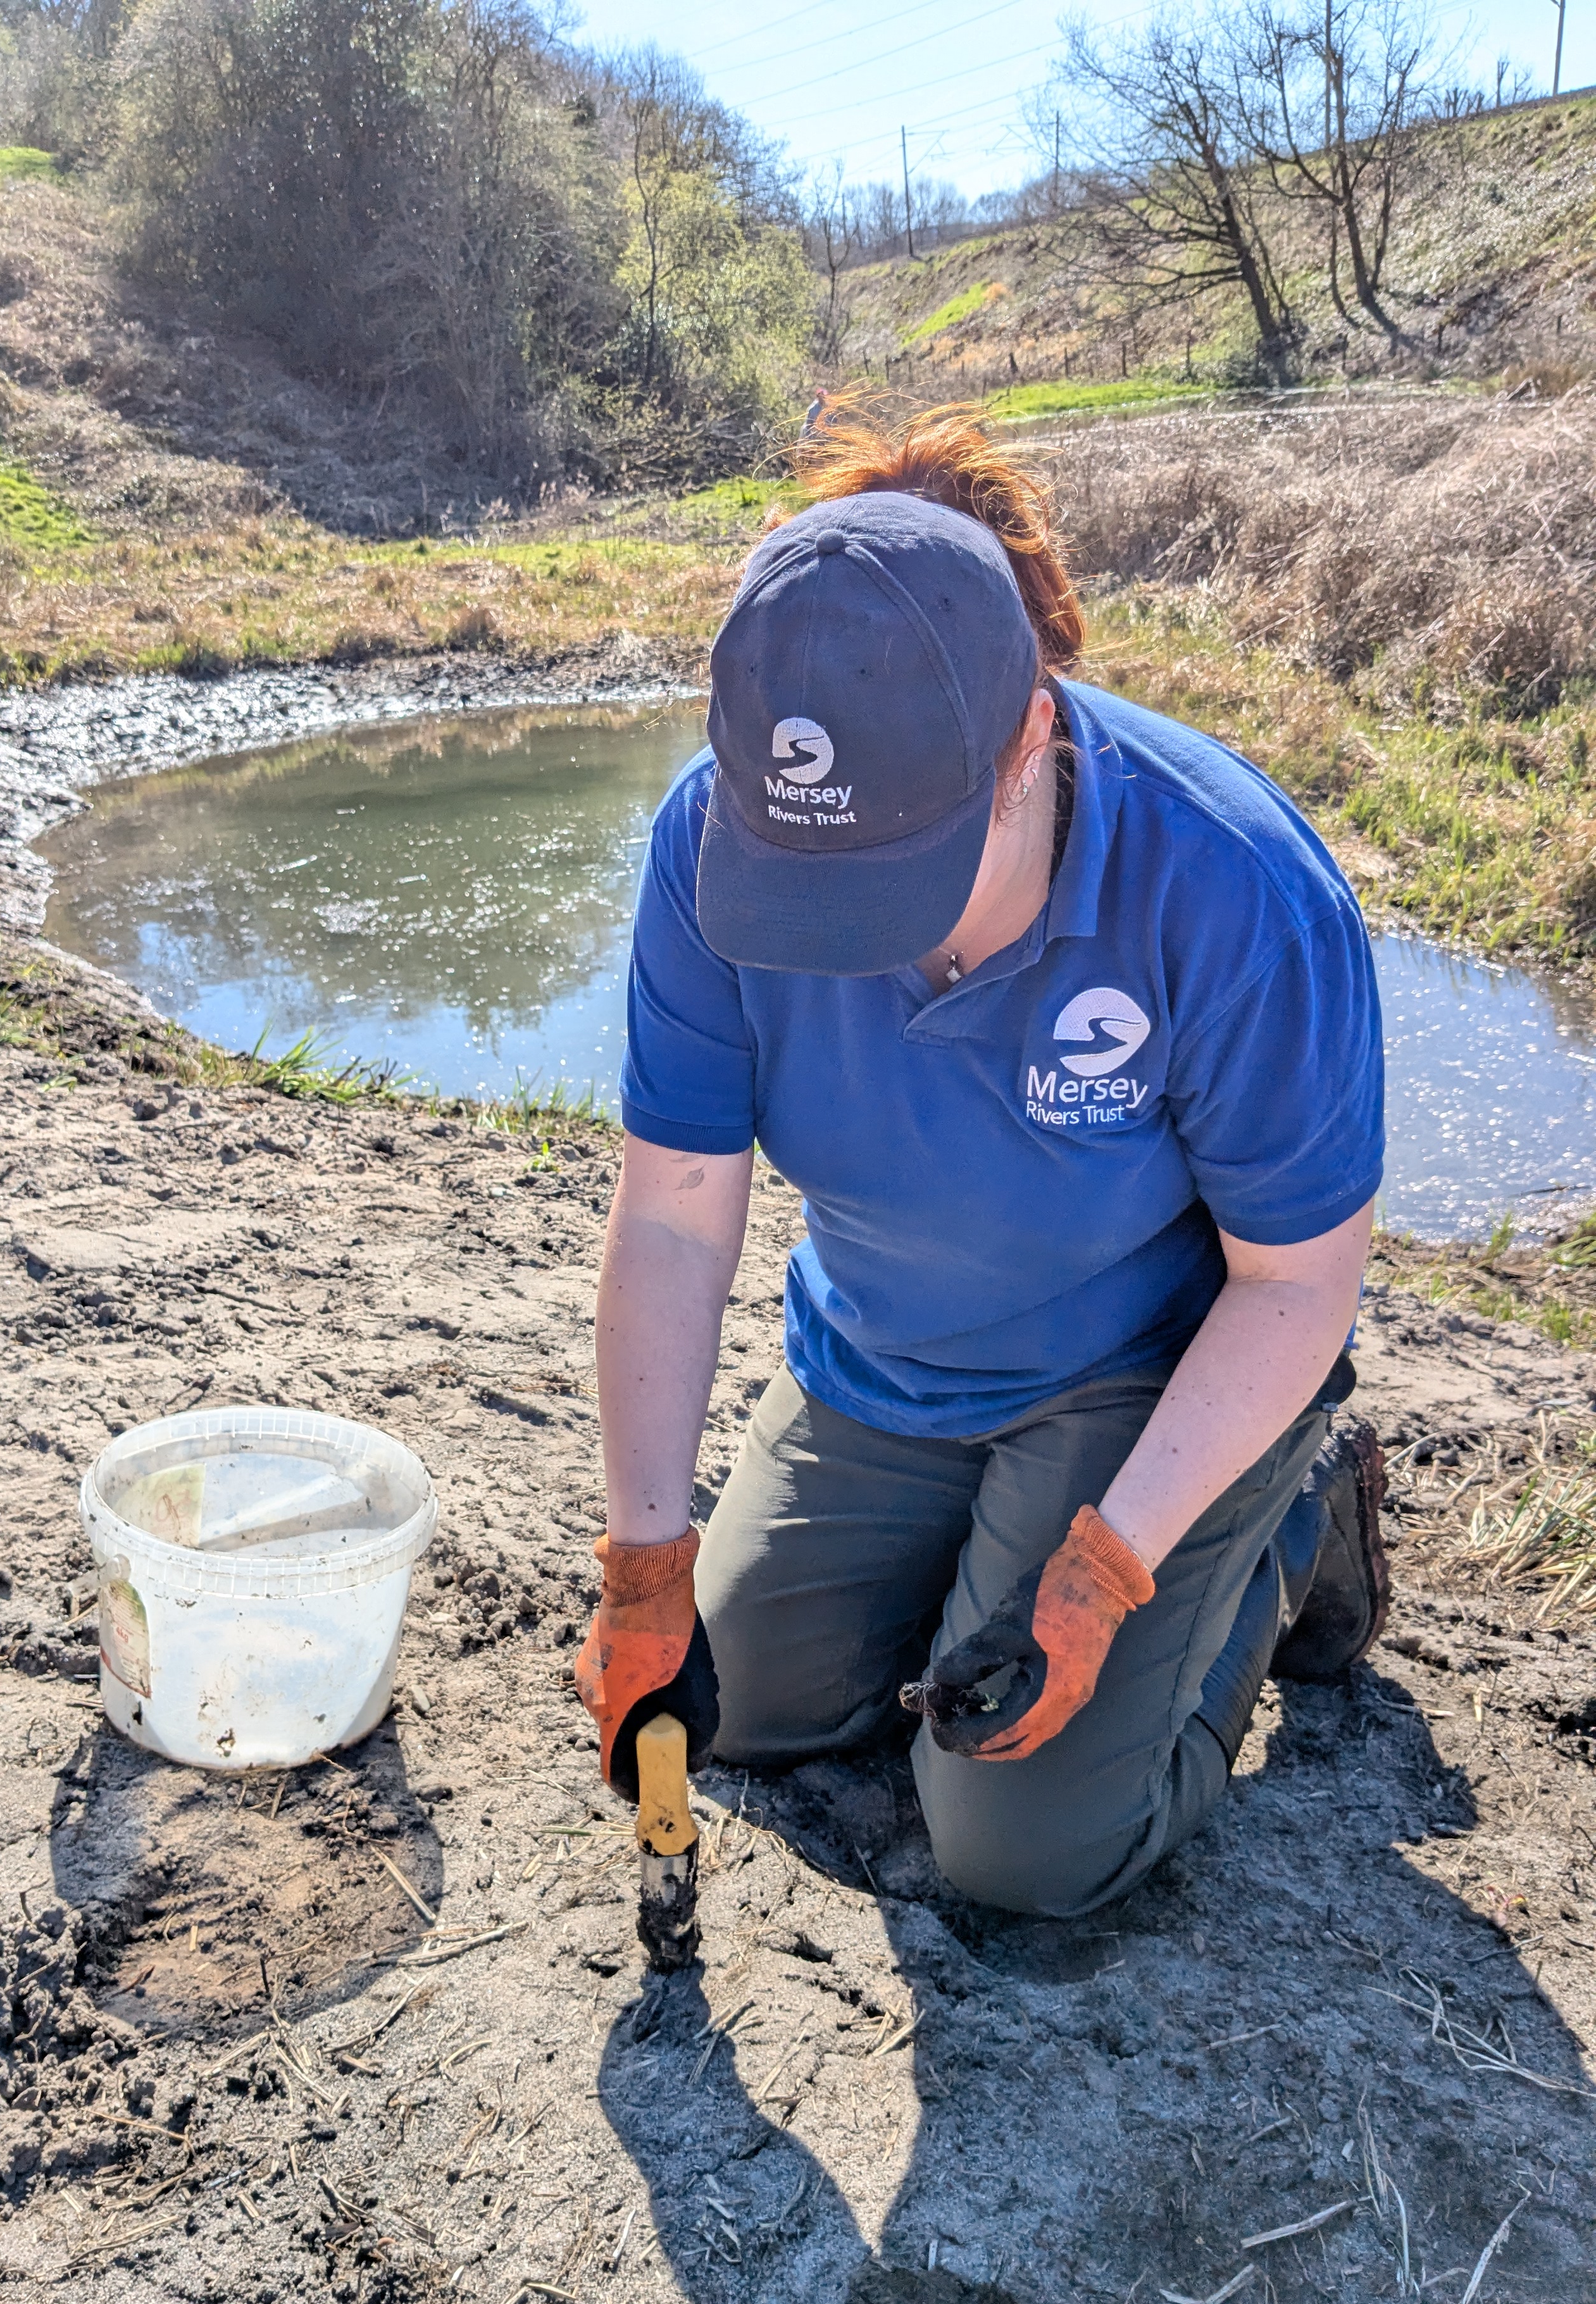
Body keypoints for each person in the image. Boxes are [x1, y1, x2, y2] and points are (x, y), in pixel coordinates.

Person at [575, 401, 1390, 1921]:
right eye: (803, 879)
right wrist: (644, 1561)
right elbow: (677, 1215)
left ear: (1030, 739)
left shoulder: (1236, 887)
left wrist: (1108, 1571)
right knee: (738, 1703)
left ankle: (1288, 1519)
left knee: (1021, 1850)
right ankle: (967, 1544)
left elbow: (1296, 1283)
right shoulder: (707, 846)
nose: (849, 940)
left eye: (894, 878)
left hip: (1140, 1374)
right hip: (884, 1354)